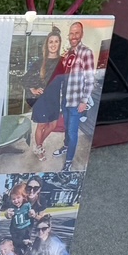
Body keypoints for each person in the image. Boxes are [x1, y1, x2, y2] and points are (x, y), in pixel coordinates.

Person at [55, 21, 96, 172]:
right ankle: (66, 146)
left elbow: (90, 79)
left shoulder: (86, 53)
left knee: (73, 132)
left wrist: (84, 101)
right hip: (65, 99)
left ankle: (69, 161)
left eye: (76, 33)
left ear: (81, 34)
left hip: (76, 102)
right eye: (71, 33)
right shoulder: (68, 54)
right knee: (66, 127)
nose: (73, 36)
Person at [25, 26, 66, 160]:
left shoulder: (62, 61)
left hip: (54, 99)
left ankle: (38, 144)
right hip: (42, 100)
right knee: (41, 125)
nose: (53, 44)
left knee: (53, 125)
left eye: (56, 41)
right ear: (47, 44)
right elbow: (26, 78)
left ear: (59, 44)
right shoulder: (39, 62)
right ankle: (38, 147)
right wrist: (33, 89)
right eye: (51, 41)